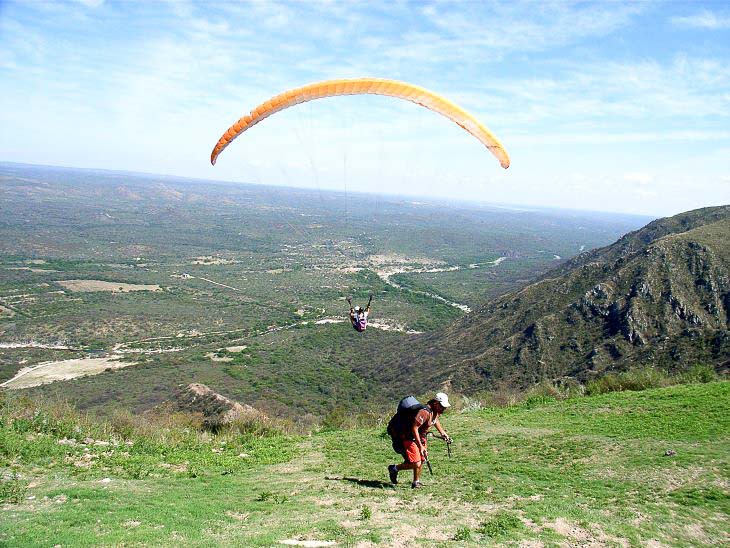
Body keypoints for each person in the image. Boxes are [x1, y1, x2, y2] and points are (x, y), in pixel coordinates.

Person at [388, 392, 453, 489]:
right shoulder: (424, 412)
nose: (444, 409)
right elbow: (415, 428)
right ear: (435, 403)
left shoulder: (435, 412)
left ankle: (416, 482)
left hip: (420, 437)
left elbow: (435, 420)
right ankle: (394, 468)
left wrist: (443, 433)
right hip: (409, 438)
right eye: (442, 406)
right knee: (416, 463)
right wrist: (420, 446)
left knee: (422, 459)